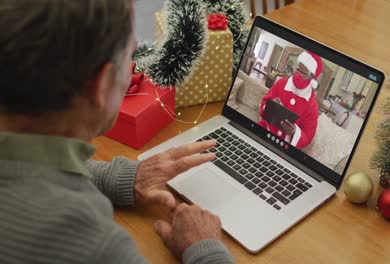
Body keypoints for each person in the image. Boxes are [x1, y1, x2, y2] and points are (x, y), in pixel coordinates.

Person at [0, 1, 233, 263]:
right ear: (100, 85)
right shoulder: (96, 246)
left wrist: (123, 177)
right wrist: (205, 247)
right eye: (130, 56)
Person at [258, 51, 323, 149]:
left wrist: (294, 132)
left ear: (312, 78)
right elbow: (263, 104)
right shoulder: (281, 84)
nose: (298, 75)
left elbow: (308, 136)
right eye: (297, 70)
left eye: (304, 74)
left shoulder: (312, 105)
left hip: (283, 148)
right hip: (263, 133)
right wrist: (269, 105)